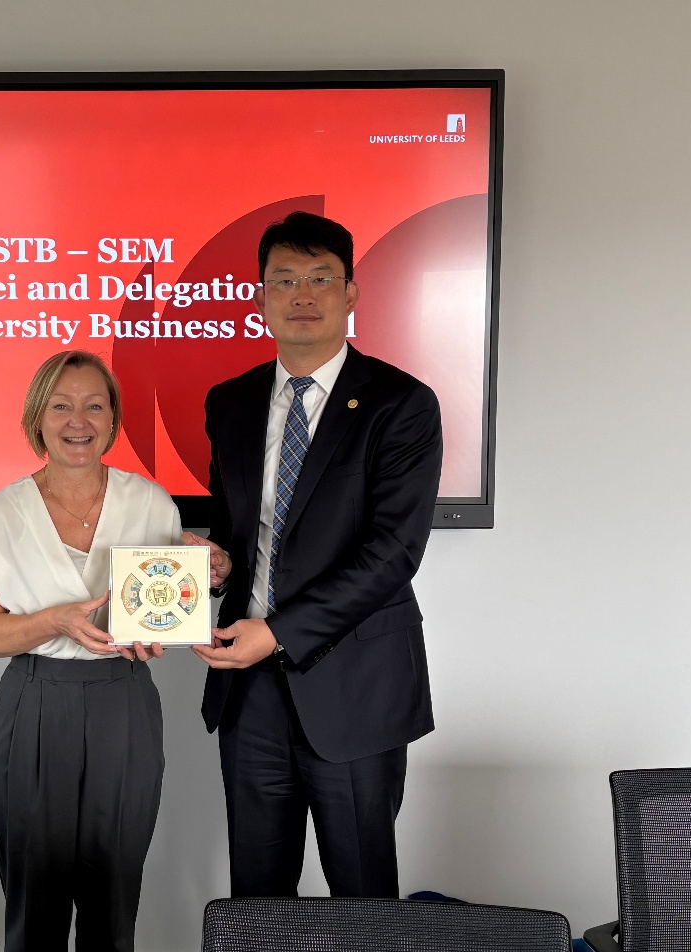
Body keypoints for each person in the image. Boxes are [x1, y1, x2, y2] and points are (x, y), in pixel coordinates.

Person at [191, 211, 443, 899]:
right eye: (284, 280)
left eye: (320, 278)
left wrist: (277, 631)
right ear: (260, 296)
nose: (301, 295)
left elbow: (392, 552)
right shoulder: (230, 403)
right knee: (257, 900)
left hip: (354, 684)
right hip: (249, 690)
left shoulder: (401, 404)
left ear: (351, 292)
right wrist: (218, 562)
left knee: (362, 899)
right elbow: (238, 528)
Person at [0, 350, 227, 952]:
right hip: (35, 699)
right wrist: (51, 621)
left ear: (113, 419)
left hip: (122, 699)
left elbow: (166, 601)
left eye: (94, 406)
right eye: (61, 406)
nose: (77, 421)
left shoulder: (151, 501)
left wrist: (197, 582)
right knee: (35, 888)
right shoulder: (0, 513)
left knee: (113, 889)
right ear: (37, 417)